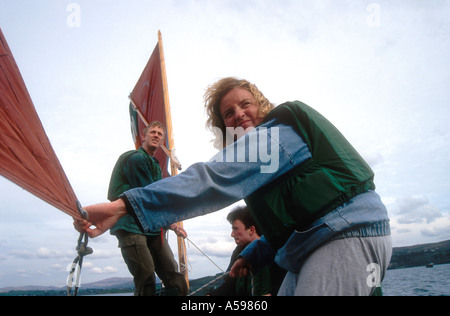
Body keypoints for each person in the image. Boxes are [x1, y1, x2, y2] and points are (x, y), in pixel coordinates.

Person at [75, 77, 392, 296]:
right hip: (317, 243)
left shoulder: (275, 136)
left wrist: (123, 206)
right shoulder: (263, 165)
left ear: (262, 105)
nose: (239, 115)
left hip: (348, 235)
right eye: (229, 113)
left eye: (246, 104)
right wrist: (252, 255)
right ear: (222, 125)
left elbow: (212, 179)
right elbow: (288, 227)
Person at [107, 121, 188, 296]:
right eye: (153, 132)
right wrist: (172, 222)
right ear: (144, 136)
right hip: (131, 225)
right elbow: (149, 196)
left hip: (152, 227)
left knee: (174, 276)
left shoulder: (156, 167)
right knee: (146, 277)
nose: (156, 135)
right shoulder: (135, 158)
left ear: (162, 141)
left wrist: (171, 224)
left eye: (160, 134)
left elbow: (155, 197)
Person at [210, 205, 284, 296]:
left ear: (251, 230)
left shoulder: (273, 250)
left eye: (235, 229)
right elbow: (230, 284)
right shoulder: (238, 252)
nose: (232, 234)